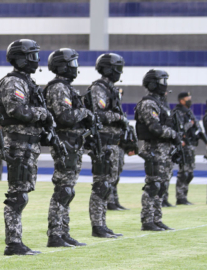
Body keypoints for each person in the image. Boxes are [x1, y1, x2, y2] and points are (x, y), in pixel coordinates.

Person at [0, 39, 55, 255]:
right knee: (17, 195)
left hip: (28, 145)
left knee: (22, 193)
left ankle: (16, 241)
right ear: (21, 58)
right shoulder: (13, 82)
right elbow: (17, 110)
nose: (36, 60)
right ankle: (13, 243)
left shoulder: (27, 82)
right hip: (17, 144)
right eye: (32, 56)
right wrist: (43, 114)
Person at [44, 48, 92, 247]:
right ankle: (55, 234)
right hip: (64, 143)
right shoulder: (59, 88)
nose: (75, 68)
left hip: (72, 143)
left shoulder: (66, 87)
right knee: (63, 190)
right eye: (72, 63)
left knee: (68, 190)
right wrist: (84, 112)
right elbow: (64, 117)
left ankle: (64, 232)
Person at [87, 53, 129, 238]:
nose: (119, 71)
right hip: (102, 142)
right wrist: (120, 118)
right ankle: (97, 226)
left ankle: (103, 223)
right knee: (101, 185)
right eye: (117, 67)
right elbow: (99, 114)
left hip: (113, 143)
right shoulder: (99, 88)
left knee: (108, 185)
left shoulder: (111, 89)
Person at [135, 69, 177, 231]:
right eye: (162, 81)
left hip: (165, 150)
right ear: (153, 83)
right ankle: (147, 220)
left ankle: (157, 218)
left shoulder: (161, 104)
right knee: (153, 186)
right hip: (154, 149)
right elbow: (155, 128)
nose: (164, 85)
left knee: (162, 186)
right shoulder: (148, 104)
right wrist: (173, 134)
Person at [173, 92, 206, 205]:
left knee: (190, 173)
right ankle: (180, 197)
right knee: (184, 173)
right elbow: (178, 129)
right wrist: (189, 124)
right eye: (188, 98)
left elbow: (197, 128)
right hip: (184, 146)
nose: (190, 100)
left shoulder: (188, 112)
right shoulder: (178, 112)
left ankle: (184, 196)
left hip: (191, 145)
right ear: (181, 100)